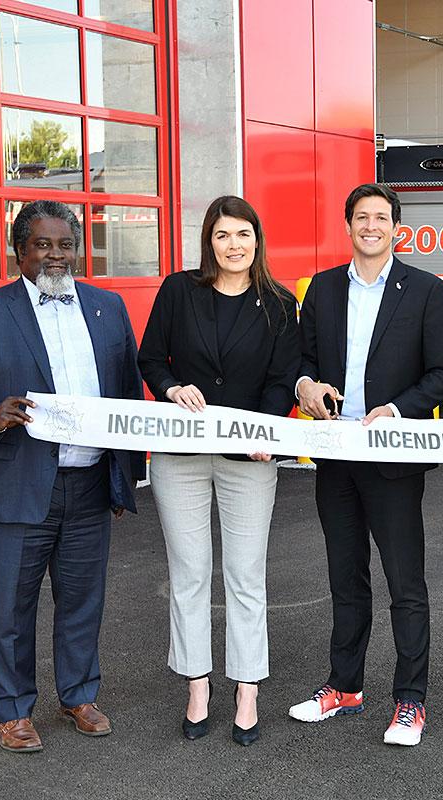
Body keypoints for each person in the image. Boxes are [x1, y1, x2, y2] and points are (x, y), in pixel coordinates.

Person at [0, 200, 145, 754]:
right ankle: (12, 711)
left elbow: (127, 393)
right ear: (19, 251)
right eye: (42, 245)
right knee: (9, 605)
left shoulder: (107, 307)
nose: (55, 256)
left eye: (64, 245)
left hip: (90, 483)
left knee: (82, 600)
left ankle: (78, 694)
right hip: (20, 485)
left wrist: (126, 477)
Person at [286, 183, 443, 747]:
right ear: (348, 225)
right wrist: (306, 386)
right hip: (337, 455)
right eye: (361, 217)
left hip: (393, 459)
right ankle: (345, 687)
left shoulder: (426, 291)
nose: (371, 226)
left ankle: (410, 701)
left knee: (405, 583)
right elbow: (303, 359)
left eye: (381, 217)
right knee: (345, 577)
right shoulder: (323, 289)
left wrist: (398, 408)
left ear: (396, 227)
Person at [137, 195, 299, 747]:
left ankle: (247, 688)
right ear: (209, 241)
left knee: (246, 575)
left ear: (258, 240)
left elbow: (282, 379)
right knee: (189, 572)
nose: (234, 245)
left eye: (244, 234)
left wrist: (267, 429)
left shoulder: (279, 302)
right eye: (223, 235)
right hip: (180, 454)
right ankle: (198, 684)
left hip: (248, 459)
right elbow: (151, 358)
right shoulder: (179, 291)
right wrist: (170, 387)